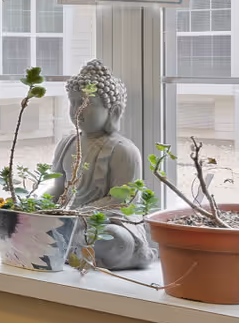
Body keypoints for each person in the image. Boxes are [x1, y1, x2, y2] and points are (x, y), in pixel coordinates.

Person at [43, 59, 157, 269]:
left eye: (88, 104)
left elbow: (123, 202)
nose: (78, 110)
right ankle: (73, 247)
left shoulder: (123, 149)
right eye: (74, 102)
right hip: (69, 219)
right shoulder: (67, 143)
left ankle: (74, 248)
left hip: (106, 221)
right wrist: (40, 209)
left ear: (112, 112)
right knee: (36, 225)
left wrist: (82, 215)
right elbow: (58, 188)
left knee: (115, 239)